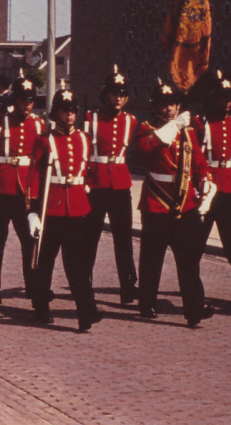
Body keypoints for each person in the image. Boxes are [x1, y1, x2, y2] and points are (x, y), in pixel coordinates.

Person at [135, 80, 216, 327]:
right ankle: (147, 303)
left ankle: (194, 309)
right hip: (157, 202)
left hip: (185, 203)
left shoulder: (188, 132)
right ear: (155, 107)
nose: (169, 109)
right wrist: (174, 125)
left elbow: (200, 164)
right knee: (152, 259)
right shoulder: (146, 129)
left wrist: (205, 181)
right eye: (164, 104)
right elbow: (148, 148)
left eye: (173, 104)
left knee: (189, 260)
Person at [26, 83, 99, 332]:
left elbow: (90, 170)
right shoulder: (44, 140)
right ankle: (41, 307)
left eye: (72, 110)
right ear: (55, 113)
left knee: (77, 265)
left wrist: (87, 188)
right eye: (64, 110)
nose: (69, 115)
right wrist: (32, 211)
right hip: (52, 209)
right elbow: (34, 177)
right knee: (45, 263)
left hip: (77, 209)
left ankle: (85, 311)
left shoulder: (83, 139)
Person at [0, 72, 44, 307]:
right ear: (15, 99)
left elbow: (43, 163)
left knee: (30, 241)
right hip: (0, 189)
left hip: (26, 193)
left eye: (31, 99)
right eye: (24, 99)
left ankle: (33, 287)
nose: (27, 104)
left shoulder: (39, 124)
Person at [192, 70, 231, 305]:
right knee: (196, 245)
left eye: (229, 97)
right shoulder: (199, 123)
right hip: (205, 190)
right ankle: (194, 294)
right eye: (222, 97)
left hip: (228, 189)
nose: (226, 102)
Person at [83, 65, 139, 307]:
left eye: (122, 94)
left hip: (120, 185)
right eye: (114, 93)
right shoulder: (90, 118)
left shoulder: (131, 121)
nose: (118, 98)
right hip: (95, 185)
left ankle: (128, 287)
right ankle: (83, 284)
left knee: (123, 239)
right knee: (89, 238)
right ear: (105, 95)